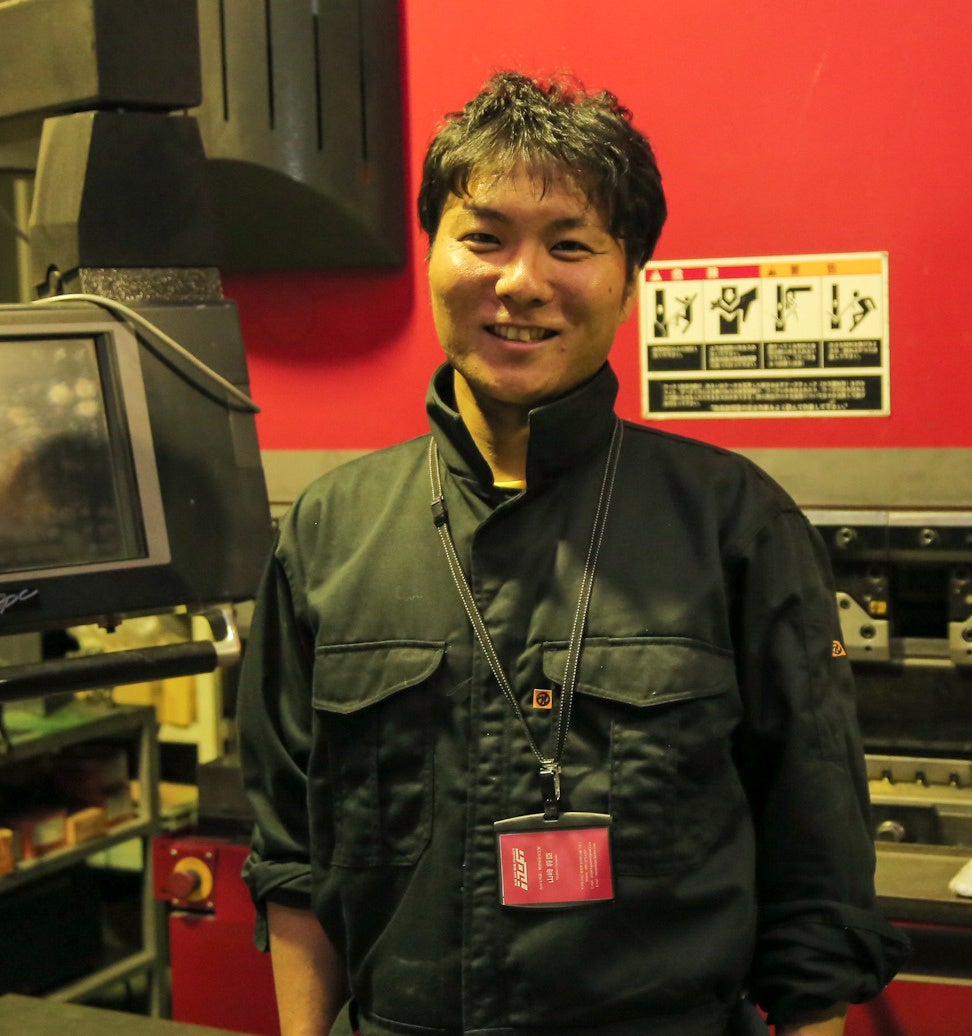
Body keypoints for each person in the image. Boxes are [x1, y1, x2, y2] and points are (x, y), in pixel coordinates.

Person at [237, 71, 909, 1036]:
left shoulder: (736, 523)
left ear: (628, 278)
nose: (521, 283)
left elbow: (818, 874)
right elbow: (291, 856)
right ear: (430, 255)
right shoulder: (328, 530)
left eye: (570, 245)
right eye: (483, 238)